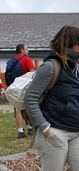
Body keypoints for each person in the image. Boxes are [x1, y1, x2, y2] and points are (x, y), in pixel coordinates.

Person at [24, 26, 79, 170]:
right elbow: (30, 98)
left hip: (76, 131)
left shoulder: (76, 67)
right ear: (73, 44)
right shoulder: (50, 67)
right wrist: (46, 128)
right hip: (55, 131)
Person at [13, 44, 35, 138]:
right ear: (22, 50)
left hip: (15, 86)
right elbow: (32, 72)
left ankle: (20, 131)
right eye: (27, 49)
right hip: (25, 85)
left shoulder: (13, 60)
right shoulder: (26, 59)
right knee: (30, 106)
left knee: (18, 108)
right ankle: (30, 128)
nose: (28, 51)